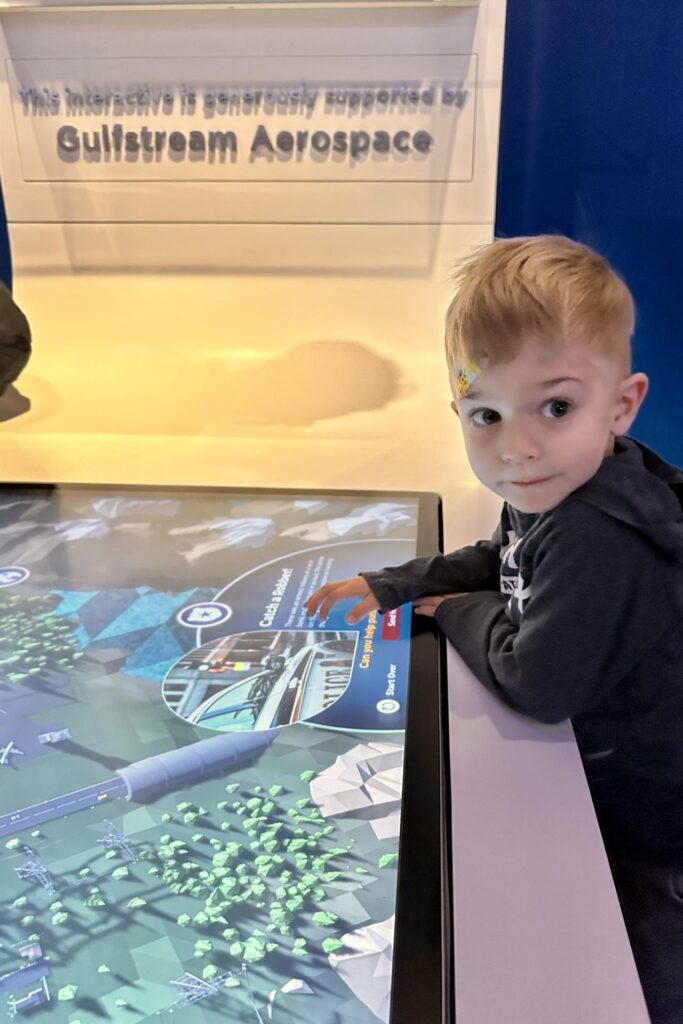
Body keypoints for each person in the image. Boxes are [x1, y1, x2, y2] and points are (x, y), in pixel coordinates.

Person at [304, 235, 683, 1024]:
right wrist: (393, 584)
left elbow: (535, 680)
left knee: (639, 980)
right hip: (611, 789)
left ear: (622, 404)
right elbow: (500, 557)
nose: (515, 446)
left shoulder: (598, 532)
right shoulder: (565, 481)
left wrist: (449, 612)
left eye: (554, 406)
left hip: (650, 826)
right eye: (484, 414)